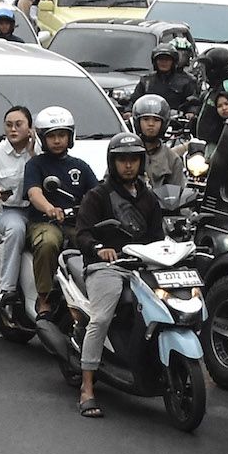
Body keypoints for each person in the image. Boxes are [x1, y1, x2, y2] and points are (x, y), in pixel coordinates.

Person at [71, 134, 167, 419]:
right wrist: (99, 249)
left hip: (141, 268)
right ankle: (87, 387)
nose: (128, 165)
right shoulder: (98, 196)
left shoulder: (149, 198)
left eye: (133, 159)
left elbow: (158, 237)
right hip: (106, 268)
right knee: (101, 318)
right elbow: (82, 234)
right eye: (122, 160)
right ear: (113, 163)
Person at [22, 106, 94, 316]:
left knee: (93, 244)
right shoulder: (35, 165)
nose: (57, 140)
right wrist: (50, 208)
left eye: (62, 135)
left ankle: (91, 292)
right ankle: (43, 297)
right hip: (44, 223)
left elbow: (96, 194)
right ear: (42, 138)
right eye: (52, 136)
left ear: (70, 137)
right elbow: (34, 193)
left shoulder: (81, 166)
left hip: (75, 224)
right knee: (48, 243)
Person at [0, 104, 37, 304]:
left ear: (30, 128)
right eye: (9, 125)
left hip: (37, 210)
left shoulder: (39, 150)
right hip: (8, 211)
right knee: (17, 230)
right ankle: (7, 288)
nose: (13, 129)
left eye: (18, 124)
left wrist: (33, 153)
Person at [127, 95, 193, 212]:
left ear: (164, 123)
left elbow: (179, 197)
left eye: (156, 120)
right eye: (146, 119)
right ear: (138, 122)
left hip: (161, 214)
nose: (151, 124)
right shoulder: (126, 153)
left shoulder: (172, 159)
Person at [140, 34, 202, 113]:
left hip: (176, 119)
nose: (164, 63)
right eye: (160, 59)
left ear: (174, 61)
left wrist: (191, 112)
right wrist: (128, 110)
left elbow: (194, 102)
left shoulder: (188, 81)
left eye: (167, 60)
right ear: (155, 62)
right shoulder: (146, 81)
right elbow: (134, 101)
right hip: (149, 117)